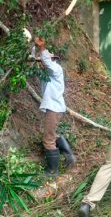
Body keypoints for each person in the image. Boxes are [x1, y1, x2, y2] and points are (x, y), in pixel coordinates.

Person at [34, 37, 76, 177]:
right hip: (54, 107)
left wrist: (42, 47)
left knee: (48, 139)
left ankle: (52, 171)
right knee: (51, 134)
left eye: (47, 58)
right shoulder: (48, 72)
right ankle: (69, 155)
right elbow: (36, 60)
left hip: (54, 108)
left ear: (53, 59)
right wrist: (34, 48)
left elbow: (45, 60)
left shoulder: (56, 69)